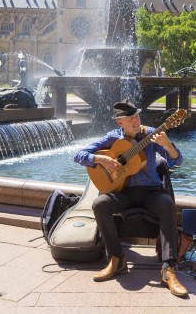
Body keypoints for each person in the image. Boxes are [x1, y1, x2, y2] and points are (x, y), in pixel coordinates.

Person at [73, 100, 188, 298]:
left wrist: (167, 145)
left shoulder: (150, 134)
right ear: (120, 123)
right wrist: (101, 159)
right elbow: (78, 154)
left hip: (151, 191)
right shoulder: (112, 138)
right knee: (99, 204)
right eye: (131, 118)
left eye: (137, 116)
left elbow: (177, 161)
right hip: (123, 192)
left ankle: (168, 269)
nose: (136, 120)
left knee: (167, 204)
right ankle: (116, 260)